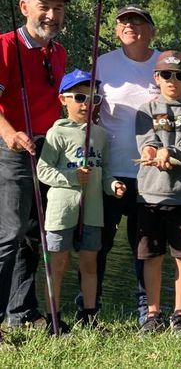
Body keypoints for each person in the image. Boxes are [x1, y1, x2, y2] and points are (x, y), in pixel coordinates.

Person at [79, 5, 160, 324]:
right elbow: (89, 111)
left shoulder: (163, 63)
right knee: (98, 246)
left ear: (151, 30)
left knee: (145, 247)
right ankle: (89, 308)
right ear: (115, 30)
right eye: (125, 22)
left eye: (139, 22)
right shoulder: (103, 64)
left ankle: (147, 313)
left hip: (150, 175)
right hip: (109, 174)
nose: (131, 26)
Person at [0, 0, 69, 336]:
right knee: (8, 233)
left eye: (57, 8)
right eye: (44, 6)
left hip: (46, 151)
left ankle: (21, 311)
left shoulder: (58, 52)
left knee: (32, 234)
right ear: (25, 7)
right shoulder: (6, 45)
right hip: (11, 149)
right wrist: (10, 132)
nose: (51, 14)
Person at [37, 70, 126, 333]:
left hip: (93, 211)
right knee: (58, 265)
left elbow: (104, 170)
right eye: (79, 97)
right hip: (61, 211)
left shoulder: (99, 135)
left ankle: (89, 315)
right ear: (63, 100)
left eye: (93, 98)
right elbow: (43, 171)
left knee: (89, 263)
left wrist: (113, 185)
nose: (86, 103)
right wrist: (72, 176)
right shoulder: (57, 133)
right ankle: (53, 318)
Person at [135, 51, 181, 335]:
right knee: (152, 256)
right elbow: (146, 141)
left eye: (178, 75)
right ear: (156, 78)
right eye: (166, 75)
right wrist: (152, 150)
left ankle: (179, 314)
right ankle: (153, 314)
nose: (172, 80)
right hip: (149, 196)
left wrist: (171, 152)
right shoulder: (145, 109)